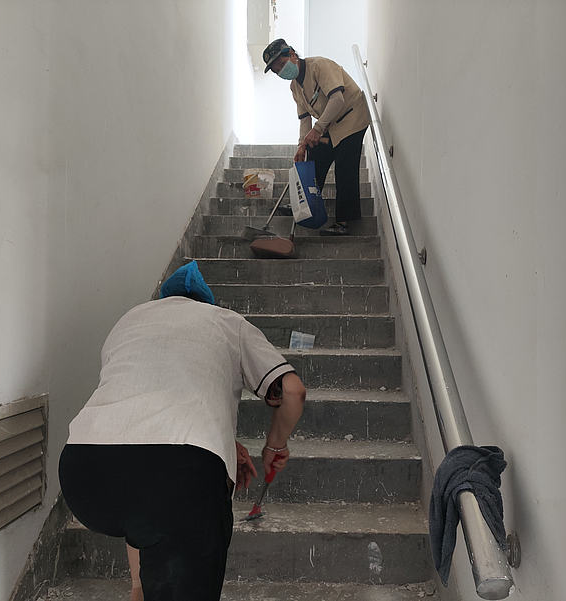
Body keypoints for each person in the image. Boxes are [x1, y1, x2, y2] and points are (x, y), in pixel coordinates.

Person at [58, 261, 306, 601]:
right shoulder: (225, 321)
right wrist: (275, 447)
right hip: (180, 478)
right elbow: (292, 391)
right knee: (162, 500)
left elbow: (141, 417)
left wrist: (222, 441)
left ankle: (138, 588)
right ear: (206, 303)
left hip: (85, 473)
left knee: (147, 511)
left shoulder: (130, 321)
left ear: (163, 299)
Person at [263, 38, 371, 236]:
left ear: (292, 54)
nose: (281, 71)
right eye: (277, 71)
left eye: (282, 64)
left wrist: (318, 129)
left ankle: (343, 223)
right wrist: (301, 146)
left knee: (345, 166)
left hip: (352, 117)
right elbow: (304, 119)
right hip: (331, 124)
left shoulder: (319, 66)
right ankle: (306, 203)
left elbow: (337, 99)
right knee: (314, 154)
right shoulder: (295, 87)